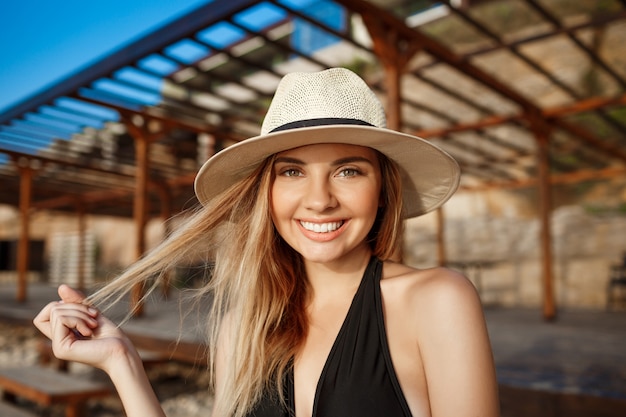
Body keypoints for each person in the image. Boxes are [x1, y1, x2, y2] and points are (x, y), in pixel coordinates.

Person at [34, 67, 499, 417]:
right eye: (292, 172)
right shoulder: (244, 326)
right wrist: (122, 362)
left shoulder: (437, 302)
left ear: (383, 193)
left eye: (349, 170)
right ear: (268, 195)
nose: (319, 200)